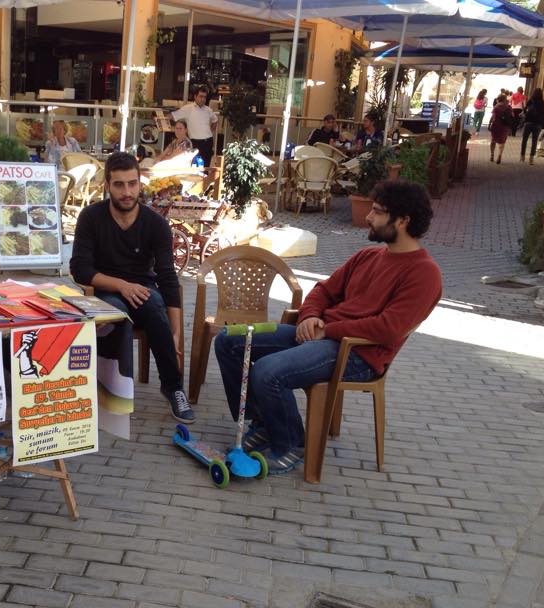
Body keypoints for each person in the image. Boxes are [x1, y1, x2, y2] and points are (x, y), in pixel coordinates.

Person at [214, 180, 441, 475]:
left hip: (358, 354)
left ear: (403, 220)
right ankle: (265, 424)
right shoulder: (368, 256)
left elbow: (388, 328)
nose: (368, 217)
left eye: (377, 211)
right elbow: (324, 290)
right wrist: (309, 316)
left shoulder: (424, 273)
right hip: (321, 335)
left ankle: (291, 445)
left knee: (268, 371)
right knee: (229, 341)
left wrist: (328, 331)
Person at [70, 151, 194, 423]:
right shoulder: (91, 217)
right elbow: (80, 268)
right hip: (105, 290)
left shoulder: (156, 224)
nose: (127, 192)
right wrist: (121, 285)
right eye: (119, 184)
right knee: (117, 314)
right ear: (107, 186)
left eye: (132, 183)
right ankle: (113, 390)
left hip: (142, 290)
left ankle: (173, 388)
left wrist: (175, 333)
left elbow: (167, 278)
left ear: (140, 183)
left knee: (155, 306)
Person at [171, 86, 217, 167]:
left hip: (208, 141)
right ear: (195, 97)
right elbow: (173, 116)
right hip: (194, 142)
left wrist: (209, 131)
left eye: (204, 97)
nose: (203, 99)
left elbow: (215, 120)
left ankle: (205, 175)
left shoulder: (208, 110)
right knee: (194, 165)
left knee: (206, 166)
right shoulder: (187, 108)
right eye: (201, 96)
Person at [519, 88, 544, 165]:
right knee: (534, 142)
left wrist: (525, 115)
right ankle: (531, 159)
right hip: (538, 124)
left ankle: (522, 156)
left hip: (528, 122)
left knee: (524, 140)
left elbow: (525, 110)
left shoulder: (531, 101)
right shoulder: (542, 103)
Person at [488, 93, 515, 164]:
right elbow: (512, 116)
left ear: (499, 99)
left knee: (493, 140)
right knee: (502, 142)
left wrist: (489, 124)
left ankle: (492, 155)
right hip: (505, 126)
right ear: (505, 99)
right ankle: (499, 155)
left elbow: (493, 116)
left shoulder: (496, 106)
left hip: (496, 125)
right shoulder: (509, 107)